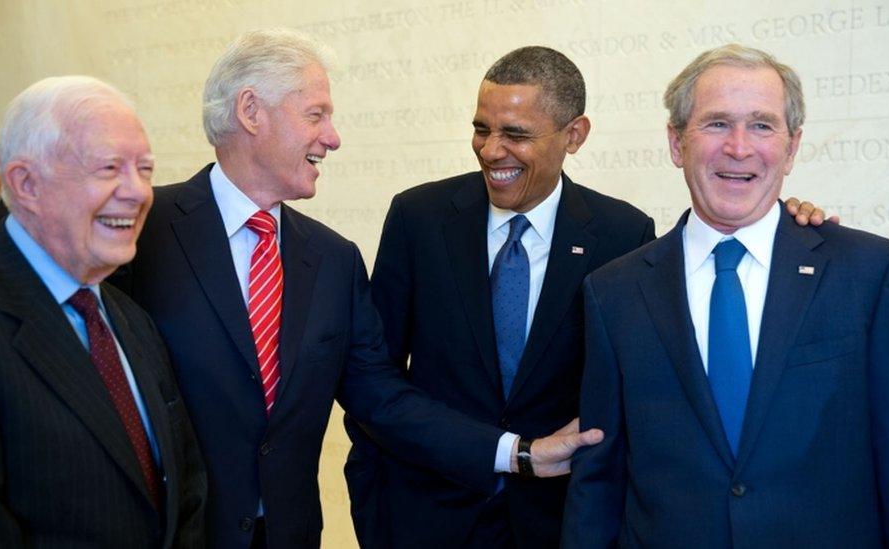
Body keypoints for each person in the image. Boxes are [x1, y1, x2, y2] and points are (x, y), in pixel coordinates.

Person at [111, 29, 598, 548]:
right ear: (252, 112)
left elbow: (382, 399)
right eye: (316, 115)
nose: (333, 137)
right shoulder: (144, 229)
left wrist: (517, 452)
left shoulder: (331, 260)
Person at [345, 45, 833, 549]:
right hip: (423, 518)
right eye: (482, 129)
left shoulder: (623, 236)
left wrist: (784, 225)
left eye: (516, 134)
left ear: (574, 135)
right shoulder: (419, 218)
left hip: (557, 525)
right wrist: (378, 497)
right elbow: (371, 381)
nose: (492, 150)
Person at [562, 44, 889, 548]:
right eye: (715, 124)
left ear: (792, 146)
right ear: (676, 143)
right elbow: (598, 483)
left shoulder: (870, 273)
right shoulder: (613, 292)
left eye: (762, 125)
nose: (738, 147)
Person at [0, 76, 207, 547]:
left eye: (145, 169)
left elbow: (185, 491)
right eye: (110, 168)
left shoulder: (132, 320)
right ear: (26, 184)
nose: (138, 192)